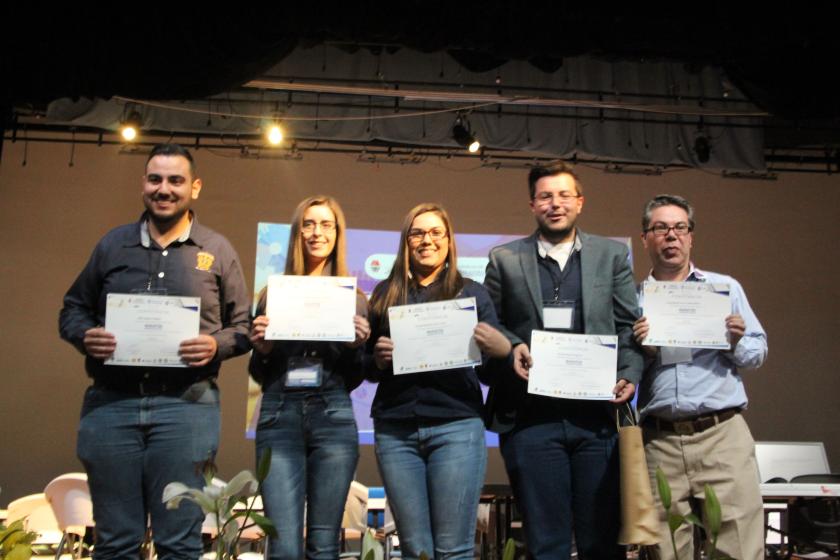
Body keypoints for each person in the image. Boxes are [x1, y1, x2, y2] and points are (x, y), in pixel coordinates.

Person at [58, 143, 250, 559]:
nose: (164, 189)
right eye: (155, 179)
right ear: (143, 184)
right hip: (112, 407)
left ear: (194, 188)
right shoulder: (112, 245)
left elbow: (245, 326)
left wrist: (216, 344)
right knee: (114, 542)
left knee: (179, 544)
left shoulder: (217, 250)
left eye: (175, 180)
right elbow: (72, 309)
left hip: (187, 408)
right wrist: (86, 334)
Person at [483, 162, 643, 559]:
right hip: (530, 420)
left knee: (601, 541)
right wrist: (513, 346)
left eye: (564, 195)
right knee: (545, 541)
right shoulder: (504, 258)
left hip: (597, 418)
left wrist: (629, 374)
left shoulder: (611, 255)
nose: (555, 204)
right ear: (532, 204)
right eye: (545, 196)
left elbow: (628, 323)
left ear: (580, 202)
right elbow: (490, 326)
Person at [366, 203, 511, 560]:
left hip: (457, 427)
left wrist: (496, 351)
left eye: (435, 233)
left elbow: (489, 373)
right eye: (417, 233)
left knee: (454, 549)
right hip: (396, 429)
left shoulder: (472, 293)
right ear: (406, 241)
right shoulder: (385, 293)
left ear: (448, 241)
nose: (426, 240)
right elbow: (365, 368)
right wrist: (377, 358)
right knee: (415, 550)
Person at [632, 194, 767, 560]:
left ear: (691, 237)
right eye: (660, 228)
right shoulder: (634, 299)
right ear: (645, 239)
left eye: (679, 228)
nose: (671, 236)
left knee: (737, 546)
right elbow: (621, 372)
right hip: (659, 441)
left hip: (721, 434)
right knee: (665, 550)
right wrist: (642, 352)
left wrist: (733, 342)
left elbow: (757, 352)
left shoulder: (723, 288)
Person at [249, 195, 370, 560]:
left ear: (338, 233)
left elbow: (354, 379)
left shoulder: (355, 299)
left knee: (323, 543)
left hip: (332, 414)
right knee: (283, 546)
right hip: (278, 411)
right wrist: (263, 349)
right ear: (298, 232)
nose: (317, 233)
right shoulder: (272, 294)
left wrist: (355, 348)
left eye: (326, 225)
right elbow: (258, 372)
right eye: (309, 224)